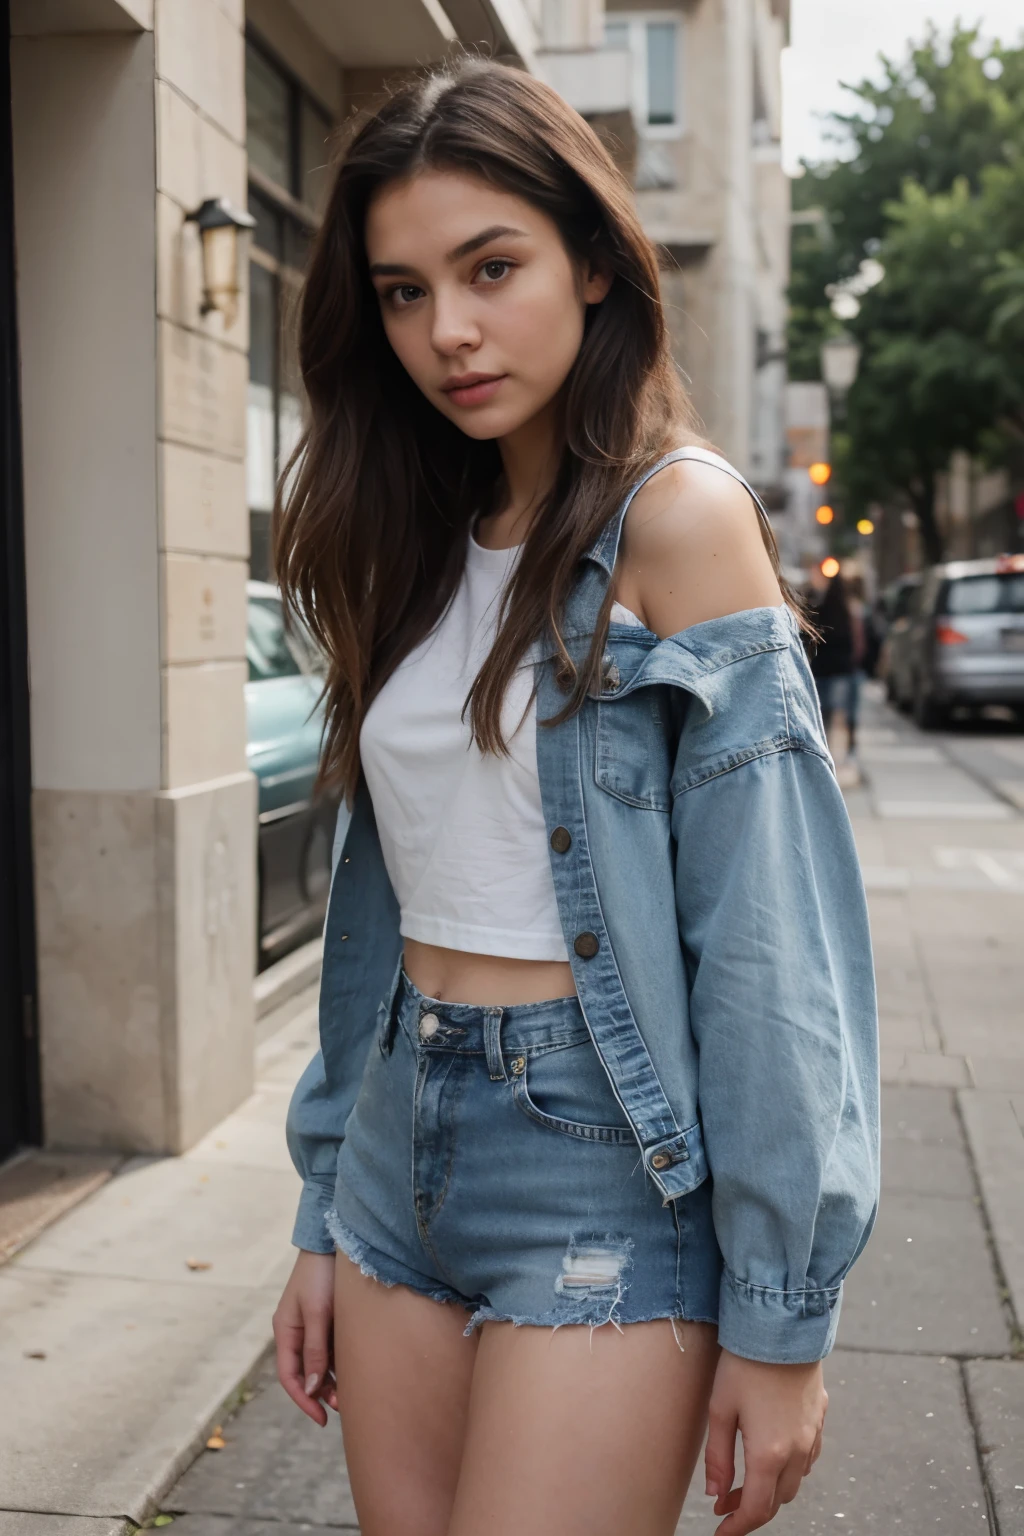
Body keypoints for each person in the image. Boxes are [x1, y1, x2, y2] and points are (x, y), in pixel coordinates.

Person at [271, 59, 879, 1536]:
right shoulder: (408, 536)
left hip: (600, 1154)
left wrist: (781, 1319)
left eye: (492, 268)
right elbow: (384, 904)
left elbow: (770, 940)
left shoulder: (679, 521)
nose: (448, 331)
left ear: (598, 263)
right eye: (403, 292)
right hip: (398, 1143)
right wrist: (320, 1208)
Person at [807, 571, 864, 756]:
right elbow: (859, 643)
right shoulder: (851, 611)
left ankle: (824, 749)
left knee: (824, 714)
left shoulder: (822, 610)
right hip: (843, 669)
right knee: (847, 712)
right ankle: (850, 751)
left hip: (821, 669)